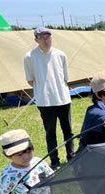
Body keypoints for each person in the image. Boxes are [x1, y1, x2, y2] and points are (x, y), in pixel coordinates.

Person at [24, 27, 74, 170]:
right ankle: (55, 161)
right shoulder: (29, 57)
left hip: (63, 98)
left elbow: (65, 77)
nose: (46, 40)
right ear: (36, 40)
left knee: (68, 130)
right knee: (50, 132)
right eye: (42, 38)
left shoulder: (60, 54)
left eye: (48, 37)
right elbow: (30, 80)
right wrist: (44, 89)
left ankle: (71, 156)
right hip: (45, 102)